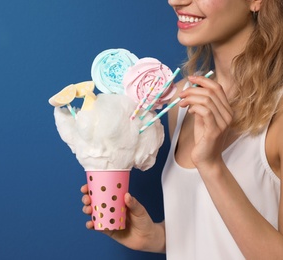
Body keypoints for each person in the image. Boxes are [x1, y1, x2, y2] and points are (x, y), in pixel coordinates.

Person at [81, 0, 283, 258]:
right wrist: (155, 237)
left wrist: (212, 166)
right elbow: (211, 231)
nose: (175, 1)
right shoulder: (180, 101)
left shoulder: (278, 114)